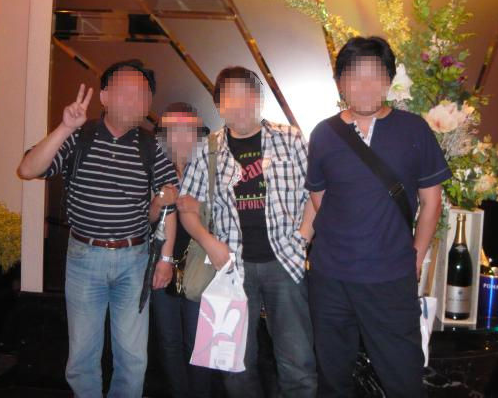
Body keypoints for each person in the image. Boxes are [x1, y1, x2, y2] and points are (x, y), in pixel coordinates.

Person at [17, 60, 178, 398]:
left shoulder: (152, 147)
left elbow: (167, 207)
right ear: (104, 96)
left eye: (143, 94)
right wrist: (64, 128)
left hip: (134, 258)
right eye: (127, 91)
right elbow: (28, 169)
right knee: (83, 355)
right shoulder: (80, 137)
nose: (136, 100)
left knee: (133, 357)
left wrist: (165, 259)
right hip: (84, 257)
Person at [305, 37, 451, 398]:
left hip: (390, 278)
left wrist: (416, 255)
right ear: (340, 83)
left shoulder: (414, 129)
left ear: (388, 81)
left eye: (375, 75)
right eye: (354, 76)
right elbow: (320, 198)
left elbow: (431, 201)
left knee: (403, 378)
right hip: (330, 278)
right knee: (332, 378)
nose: (365, 85)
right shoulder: (324, 134)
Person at [176, 66, 317, 398]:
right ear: (219, 105)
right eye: (230, 97)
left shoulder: (290, 138)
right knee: (234, 365)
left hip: (285, 263)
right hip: (231, 269)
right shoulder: (208, 149)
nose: (239, 104)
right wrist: (209, 243)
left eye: (247, 94)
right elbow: (187, 207)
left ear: (258, 99)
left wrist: (303, 237)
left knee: (298, 363)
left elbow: (316, 193)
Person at [148, 102, 214, 397]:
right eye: (173, 131)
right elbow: (144, 220)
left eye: (189, 130)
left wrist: (200, 207)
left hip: (200, 267)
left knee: (198, 343)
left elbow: (229, 213)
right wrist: (158, 202)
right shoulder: (152, 166)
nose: (182, 138)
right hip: (161, 265)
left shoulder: (212, 168)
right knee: (168, 341)